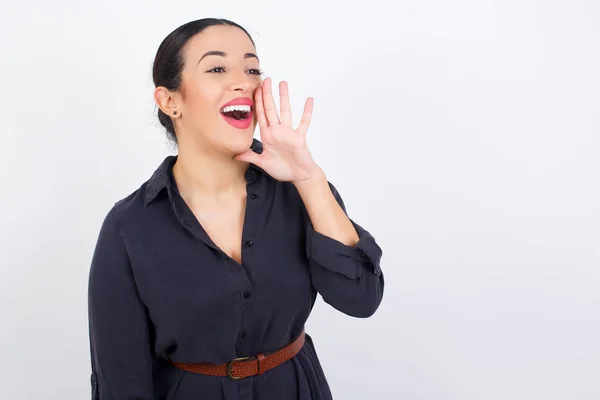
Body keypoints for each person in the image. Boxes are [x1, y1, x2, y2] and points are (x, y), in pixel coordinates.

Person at [87, 17, 385, 400]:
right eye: (216, 68)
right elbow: (120, 380)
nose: (243, 80)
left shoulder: (299, 190)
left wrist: (310, 180)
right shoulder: (129, 227)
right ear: (170, 100)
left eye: (252, 68)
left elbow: (361, 299)